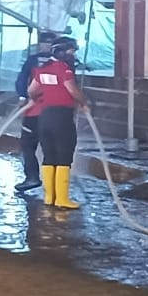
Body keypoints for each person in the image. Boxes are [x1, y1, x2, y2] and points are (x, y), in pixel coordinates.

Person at [28, 36, 88, 210]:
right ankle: (62, 198)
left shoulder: (42, 69)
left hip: (45, 117)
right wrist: (83, 102)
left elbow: (32, 90)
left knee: (49, 156)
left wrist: (40, 97)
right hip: (62, 117)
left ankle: (49, 197)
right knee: (64, 155)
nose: (73, 55)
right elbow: (72, 90)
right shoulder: (64, 69)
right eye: (71, 51)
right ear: (62, 52)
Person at [14, 30, 56, 194]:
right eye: (44, 42)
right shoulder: (34, 61)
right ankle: (36, 178)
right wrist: (22, 96)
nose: (46, 46)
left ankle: (47, 181)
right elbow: (22, 79)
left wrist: (26, 95)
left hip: (44, 110)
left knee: (41, 145)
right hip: (40, 110)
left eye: (49, 43)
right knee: (30, 144)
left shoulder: (55, 64)